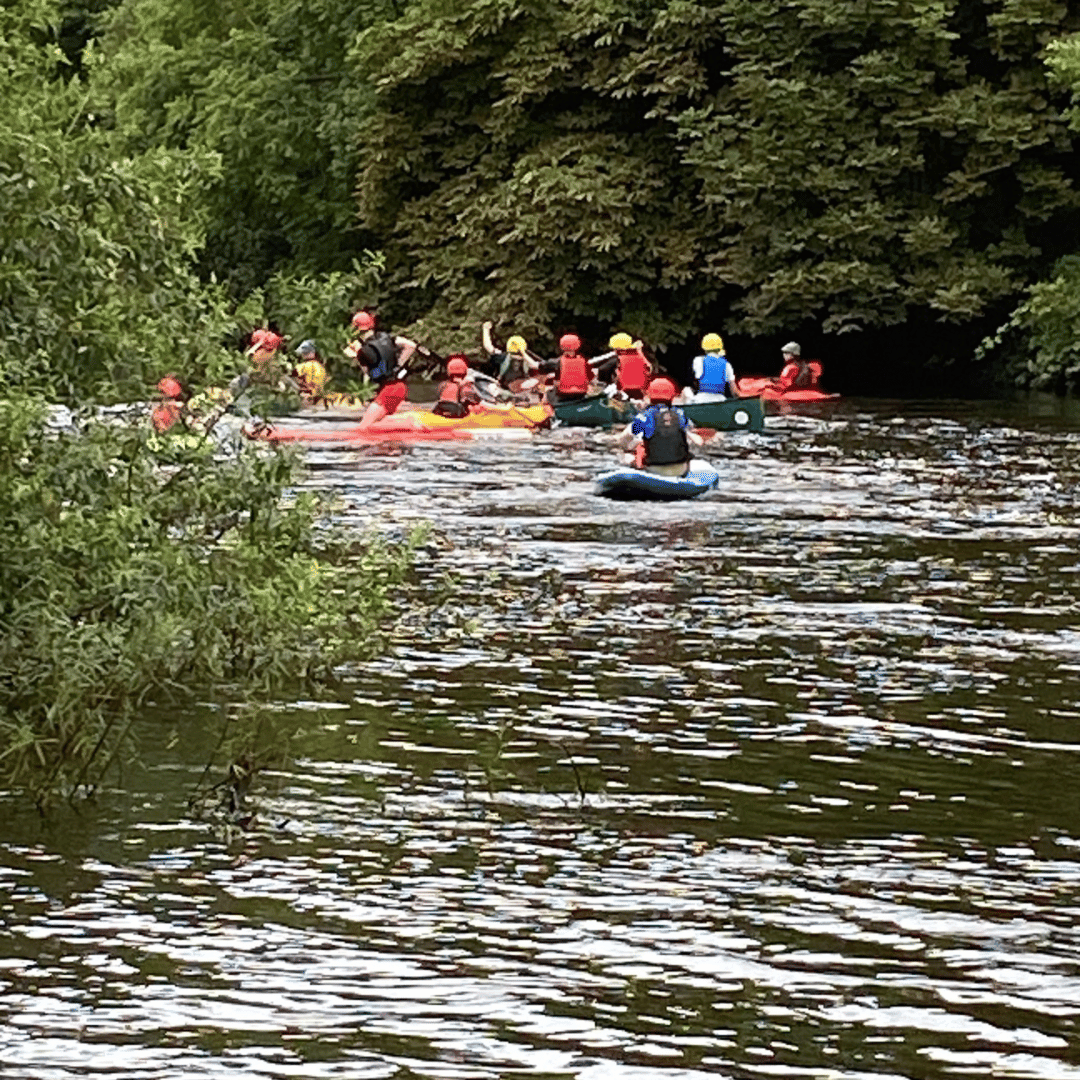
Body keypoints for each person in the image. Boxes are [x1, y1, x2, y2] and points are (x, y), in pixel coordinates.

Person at [344, 310, 418, 429]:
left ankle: (408, 423)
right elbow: (411, 345)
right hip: (398, 387)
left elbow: (368, 374)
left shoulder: (363, 351)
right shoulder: (387, 337)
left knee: (363, 428)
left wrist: (357, 356)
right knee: (377, 423)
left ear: (355, 329)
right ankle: (399, 427)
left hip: (390, 390)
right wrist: (398, 365)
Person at [618, 376, 703, 477]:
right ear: (672, 396)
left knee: (630, 453)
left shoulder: (644, 416)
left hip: (655, 469)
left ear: (649, 396)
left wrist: (626, 448)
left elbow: (626, 437)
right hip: (681, 469)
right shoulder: (681, 414)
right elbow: (694, 437)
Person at [480, 322, 543, 389]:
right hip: (519, 391)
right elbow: (539, 366)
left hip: (505, 390)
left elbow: (488, 347)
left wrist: (485, 329)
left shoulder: (502, 357)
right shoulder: (528, 360)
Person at [542, 333, 599, 404]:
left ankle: (548, 409)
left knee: (548, 388)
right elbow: (590, 379)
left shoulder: (556, 361)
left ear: (561, 346)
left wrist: (524, 355)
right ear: (578, 345)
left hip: (562, 395)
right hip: (581, 395)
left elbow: (536, 365)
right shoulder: (584, 361)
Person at [593, 332, 652, 399]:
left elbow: (603, 370)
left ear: (618, 347)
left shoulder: (619, 358)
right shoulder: (639, 356)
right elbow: (649, 369)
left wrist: (603, 382)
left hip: (624, 391)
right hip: (641, 391)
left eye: (615, 348)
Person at [689, 333, 738, 402]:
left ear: (704, 347)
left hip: (702, 399)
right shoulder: (726, 364)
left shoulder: (699, 360)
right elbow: (734, 390)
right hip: (720, 399)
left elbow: (697, 378)